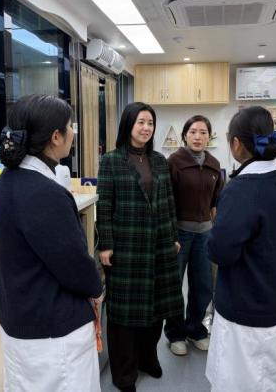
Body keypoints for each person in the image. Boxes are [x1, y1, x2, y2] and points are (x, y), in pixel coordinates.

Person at [0, 94, 104, 392]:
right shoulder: (43, 193)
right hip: (53, 334)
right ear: (55, 137)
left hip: (22, 321)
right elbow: (73, 261)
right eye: (70, 126)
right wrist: (97, 289)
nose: (73, 132)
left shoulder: (7, 182)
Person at [205, 106, 276, 392]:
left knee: (241, 382)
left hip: (246, 310)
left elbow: (220, 251)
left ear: (236, 143)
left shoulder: (242, 190)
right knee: (272, 381)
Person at [97, 102, 184, 392]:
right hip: (127, 245)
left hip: (159, 244)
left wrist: (173, 234)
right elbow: (104, 207)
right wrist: (106, 245)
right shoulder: (111, 160)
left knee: (155, 309)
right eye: (141, 122)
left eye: (150, 123)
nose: (146, 128)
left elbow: (168, 201)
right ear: (128, 125)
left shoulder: (159, 160)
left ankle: (148, 359)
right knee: (124, 315)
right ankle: (124, 374)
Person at [163, 115, 223, 356]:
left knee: (203, 285)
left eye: (203, 132)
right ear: (184, 135)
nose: (198, 137)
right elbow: (166, 201)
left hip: (205, 234)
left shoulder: (214, 164)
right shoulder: (173, 162)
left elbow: (215, 201)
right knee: (174, 284)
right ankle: (175, 333)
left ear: (209, 137)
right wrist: (170, 234)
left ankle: (195, 329)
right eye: (193, 132)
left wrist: (215, 229)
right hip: (180, 233)